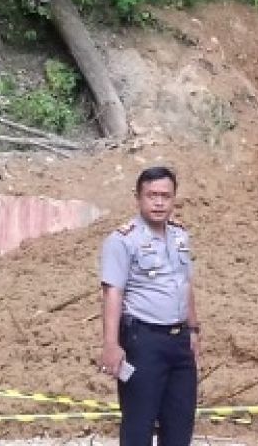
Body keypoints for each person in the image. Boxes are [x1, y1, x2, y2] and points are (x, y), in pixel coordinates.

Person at [99, 166, 200, 446]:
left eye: (165, 196)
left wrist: (193, 329)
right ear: (138, 198)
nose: (159, 202)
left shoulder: (180, 236)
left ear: (174, 199)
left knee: (180, 423)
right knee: (139, 425)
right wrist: (110, 343)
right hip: (142, 341)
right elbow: (112, 293)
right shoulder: (122, 240)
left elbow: (185, 284)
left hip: (179, 341)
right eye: (152, 195)